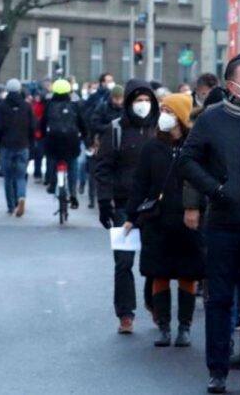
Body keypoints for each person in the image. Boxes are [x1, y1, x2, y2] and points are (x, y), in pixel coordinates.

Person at [180, 54, 240, 393]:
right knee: (220, 300)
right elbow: (187, 160)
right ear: (231, 86)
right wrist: (215, 189)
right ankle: (217, 370)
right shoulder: (212, 119)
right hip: (223, 225)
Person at [124, 94, 204, 348]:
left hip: (188, 220)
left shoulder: (196, 146)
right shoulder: (152, 147)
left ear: (181, 115)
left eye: (169, 111)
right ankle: (163, 326)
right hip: (157, 220)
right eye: (163, 110)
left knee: (188, 275)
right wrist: (131, 216)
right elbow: (140, 183)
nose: (164, 116)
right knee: (159, 274)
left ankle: (184, 327)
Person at [94, 79, 159, 335]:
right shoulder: (116, 130)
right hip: (124, 205)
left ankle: (154, 303)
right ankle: (125, 314)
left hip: (156, 206)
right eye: (138, 100)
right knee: (123, 262)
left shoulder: (160, 128)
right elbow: (103, 168)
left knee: (155, 262)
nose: (143, 105)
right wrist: (104, 202)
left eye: (147, 100)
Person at [40, 79, 87, 208]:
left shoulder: (49, 105)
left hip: (54, 140)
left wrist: (43, 136)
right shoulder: (74, 105)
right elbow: (81, 122)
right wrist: (84, 135)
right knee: (72, 165)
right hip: (71, 141)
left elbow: (43, 123)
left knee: (52, 160)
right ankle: (73, 193)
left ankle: (52, 183)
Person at [0, 78, 37, 217]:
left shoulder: (1, 106)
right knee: (20, 176)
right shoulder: (26, 107)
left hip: (6, 145)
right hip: (23, 145)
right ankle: (21, 196)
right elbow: (33, 126)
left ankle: (11, 205)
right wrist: (30, 142)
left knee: (8, 177)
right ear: (19, 90)